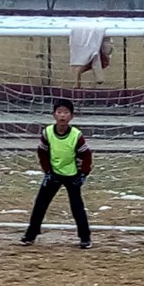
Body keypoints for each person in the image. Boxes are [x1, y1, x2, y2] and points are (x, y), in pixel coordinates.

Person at [22, 99, 92, 248]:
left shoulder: (76, 135)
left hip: (72, 175)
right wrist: (47, 171)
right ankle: (30, 235)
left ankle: (85, 238)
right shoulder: (47, 133)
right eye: (59, 112)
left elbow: (86, 156)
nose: (62, 116)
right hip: (53, 174)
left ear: (71, 116)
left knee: (77, 207)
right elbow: (42, 152)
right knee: (40, 204)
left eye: (66, 113)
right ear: (54, 115)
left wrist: (83, 174)